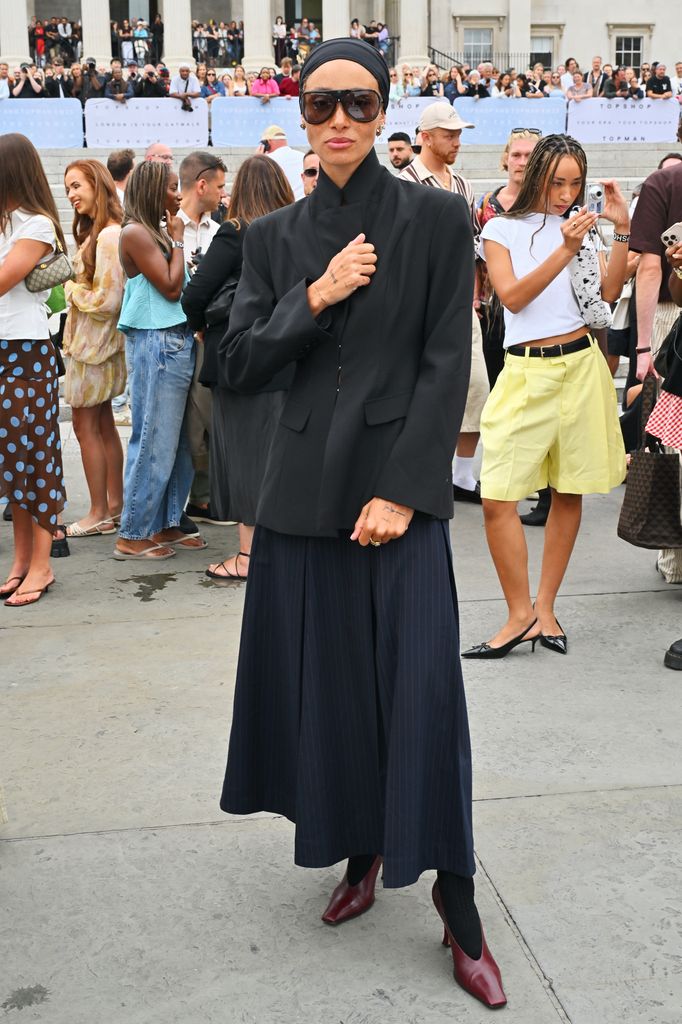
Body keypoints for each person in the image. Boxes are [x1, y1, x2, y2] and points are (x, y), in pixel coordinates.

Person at [218, 38, 506, 1010]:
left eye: (357, 102)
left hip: (397, 498)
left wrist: (401, 487)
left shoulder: (434, 217)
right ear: (300, 117)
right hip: (301, 503)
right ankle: (359, 849)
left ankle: (458, 906)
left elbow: (440, 357)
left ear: (384, 113)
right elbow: (243, 361)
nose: (338, 119)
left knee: (425, 694)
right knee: (330, 691)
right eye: (319, 106)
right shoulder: (271, 239)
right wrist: (318, 293)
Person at [466, 134, 630, 659]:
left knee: (569, 490)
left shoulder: (580, 226)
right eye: (557, 181)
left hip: (581, 366)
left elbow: (603, 298)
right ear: (535, 175)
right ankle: (518, 613)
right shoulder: (499, 228)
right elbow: (511, 297)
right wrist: (564, 248)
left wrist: (622, 232)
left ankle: (545, 608)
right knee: (498, 498)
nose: (565, 193)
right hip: (526, 372)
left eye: (575, 183)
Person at [182, 156, 295, 581]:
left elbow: (196, 295)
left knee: (246, 458)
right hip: (288, 355)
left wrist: (200, 329)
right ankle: (285, 548)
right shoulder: (294, 229)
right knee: (282, 454)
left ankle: (249, 556)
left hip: (240, 357)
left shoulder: (236, 232)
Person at [399, 101, 489, 504]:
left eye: (458, 133)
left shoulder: (463, 185)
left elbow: (470, 246)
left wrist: (473, 293)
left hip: (458, 302)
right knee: (418, 389)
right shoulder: (403, 183)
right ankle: (426, 473)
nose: (456, 140)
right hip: (416, 304)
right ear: (425, 137)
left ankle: (462, 476)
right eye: (449, 134)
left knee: (474, 387)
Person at [114, 161, 203, 561]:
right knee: (153, 440)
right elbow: (169, 287)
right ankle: (132, 532)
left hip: (173, 341)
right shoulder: (134, 232)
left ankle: (165, 522)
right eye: (171, 188)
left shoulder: (154, 232)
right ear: (153, 191)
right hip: (156, 342)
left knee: (176, 443)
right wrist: (180, 241)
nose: (177, 195)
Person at [0, 133, 67, 607]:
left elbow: (4, 280)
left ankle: (41, 565)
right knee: (12, 463)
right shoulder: (9, 224)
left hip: (26, 351)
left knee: (36, 457)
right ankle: (21, 562)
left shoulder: (37, 225)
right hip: (8, 350)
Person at [60, 161, 126, 539]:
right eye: (67, 188)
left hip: (93, 348)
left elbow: (108, 300)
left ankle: (99, 511)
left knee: (88, 428)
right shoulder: (101, 233)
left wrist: (70, 289)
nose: (71, 195)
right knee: (101, 426)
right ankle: (111, 507)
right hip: (97, 346)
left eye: (76, 186)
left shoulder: (107, 237)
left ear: (96, 185)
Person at [630, 158, 682, 583]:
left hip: (670, 324)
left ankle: (675, 561)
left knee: (672, 446)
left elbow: (649, 269)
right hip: (674, 319)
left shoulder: (663, 180)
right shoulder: (664, 180)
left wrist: (643, 347)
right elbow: (652, 268)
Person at [177, 152, 227, 525]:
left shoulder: (221, 229)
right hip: (173, 338)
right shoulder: (167, 228)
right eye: (221, 186)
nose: (224, 194)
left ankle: (205, 498)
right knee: (182, 428)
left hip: (209, 339)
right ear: (202, 185)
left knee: (207, 422)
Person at [477, 128, 541, 387]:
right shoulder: (485, 204)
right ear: (506, 158)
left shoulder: (547, 204)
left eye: (529, 155)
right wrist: (474, 298)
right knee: (494, 381)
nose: (522, 162)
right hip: (491, 308)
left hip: (534, 304)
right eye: (516, 154)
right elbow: (474, 257)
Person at [259, 125, 304, 200]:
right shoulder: (303, 156)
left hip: (284, 207)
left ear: (267, 143)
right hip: (305, 204)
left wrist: (258, 159)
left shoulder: (266, 161)